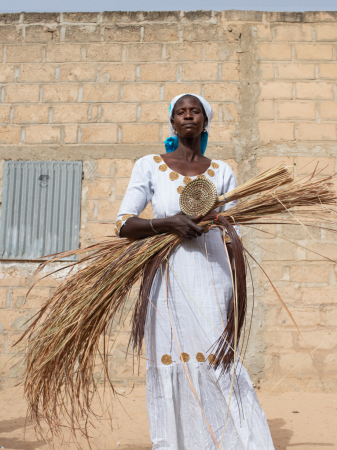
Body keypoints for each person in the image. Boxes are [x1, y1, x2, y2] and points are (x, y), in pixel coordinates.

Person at [116, 93, 275, 450]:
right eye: (180, 112)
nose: (188, 116)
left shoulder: (222, 172)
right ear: (172, 122)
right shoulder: (149, 166)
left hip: (212, 281)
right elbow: (124, 224)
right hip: (168, 284)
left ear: (205, 121)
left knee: (219, 363)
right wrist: (168, 223)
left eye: (195, 111)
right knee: (175, 363)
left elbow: (234, 236)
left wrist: (238, 295)